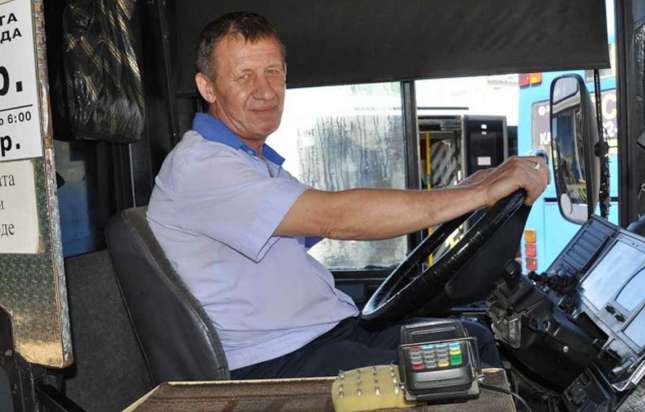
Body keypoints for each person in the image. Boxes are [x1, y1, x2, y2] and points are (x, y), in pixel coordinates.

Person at [146, 11, 549, 379]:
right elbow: (337, 218)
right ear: (208, 87)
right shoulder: (203, 167)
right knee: (466, 362)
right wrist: (482, 195)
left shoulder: (252, 162)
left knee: (472, 339)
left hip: (323, 335)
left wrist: (466, 188)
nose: (265, 90)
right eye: (244, 76)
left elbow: (326, 218)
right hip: (276, 360)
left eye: (273, 72)